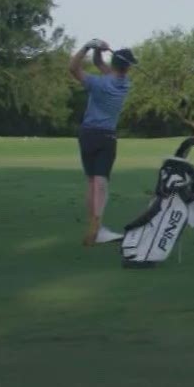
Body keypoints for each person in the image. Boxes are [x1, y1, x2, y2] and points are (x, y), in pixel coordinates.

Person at [70, 40, 138, 247]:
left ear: (114, 63)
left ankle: (95, 226)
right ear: (127, 68)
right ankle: (97, 225)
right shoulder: (125, 83)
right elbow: (103, 66)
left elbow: (73, 68)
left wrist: (89, 47)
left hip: (87, 134)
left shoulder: (97, 83)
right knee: (101, 182)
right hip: (107, 136)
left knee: (92, 182)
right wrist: (98, 51)